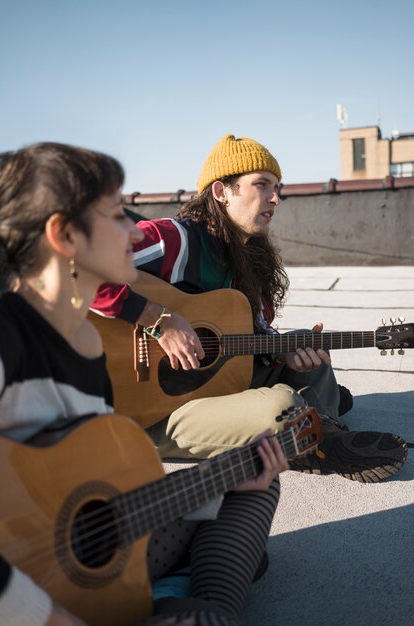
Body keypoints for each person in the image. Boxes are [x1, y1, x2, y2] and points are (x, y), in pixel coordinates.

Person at [0, 142, 288, 626]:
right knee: (235, 551)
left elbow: (83, 492)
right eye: (117, 214)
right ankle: (191, 600)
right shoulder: (7, 337)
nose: (135, 228)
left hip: (87, 548)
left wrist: (216, 482)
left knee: (255, 480)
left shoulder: (86, 343)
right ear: (63, 234)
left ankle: (193, 604)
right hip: (24, 592)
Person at [92, 133, 407, 483]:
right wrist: (159, 319)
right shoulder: (174, 241)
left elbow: (247, 342)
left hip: (213, 388)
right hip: (147, 412)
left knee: (304, 345)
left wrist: (282, 356)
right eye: (262, 185)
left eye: (278, 187)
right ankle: (313, 427)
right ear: (221, 192)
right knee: (281, 405)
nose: (276, 198)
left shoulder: (250, 265)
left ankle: (316, 425)